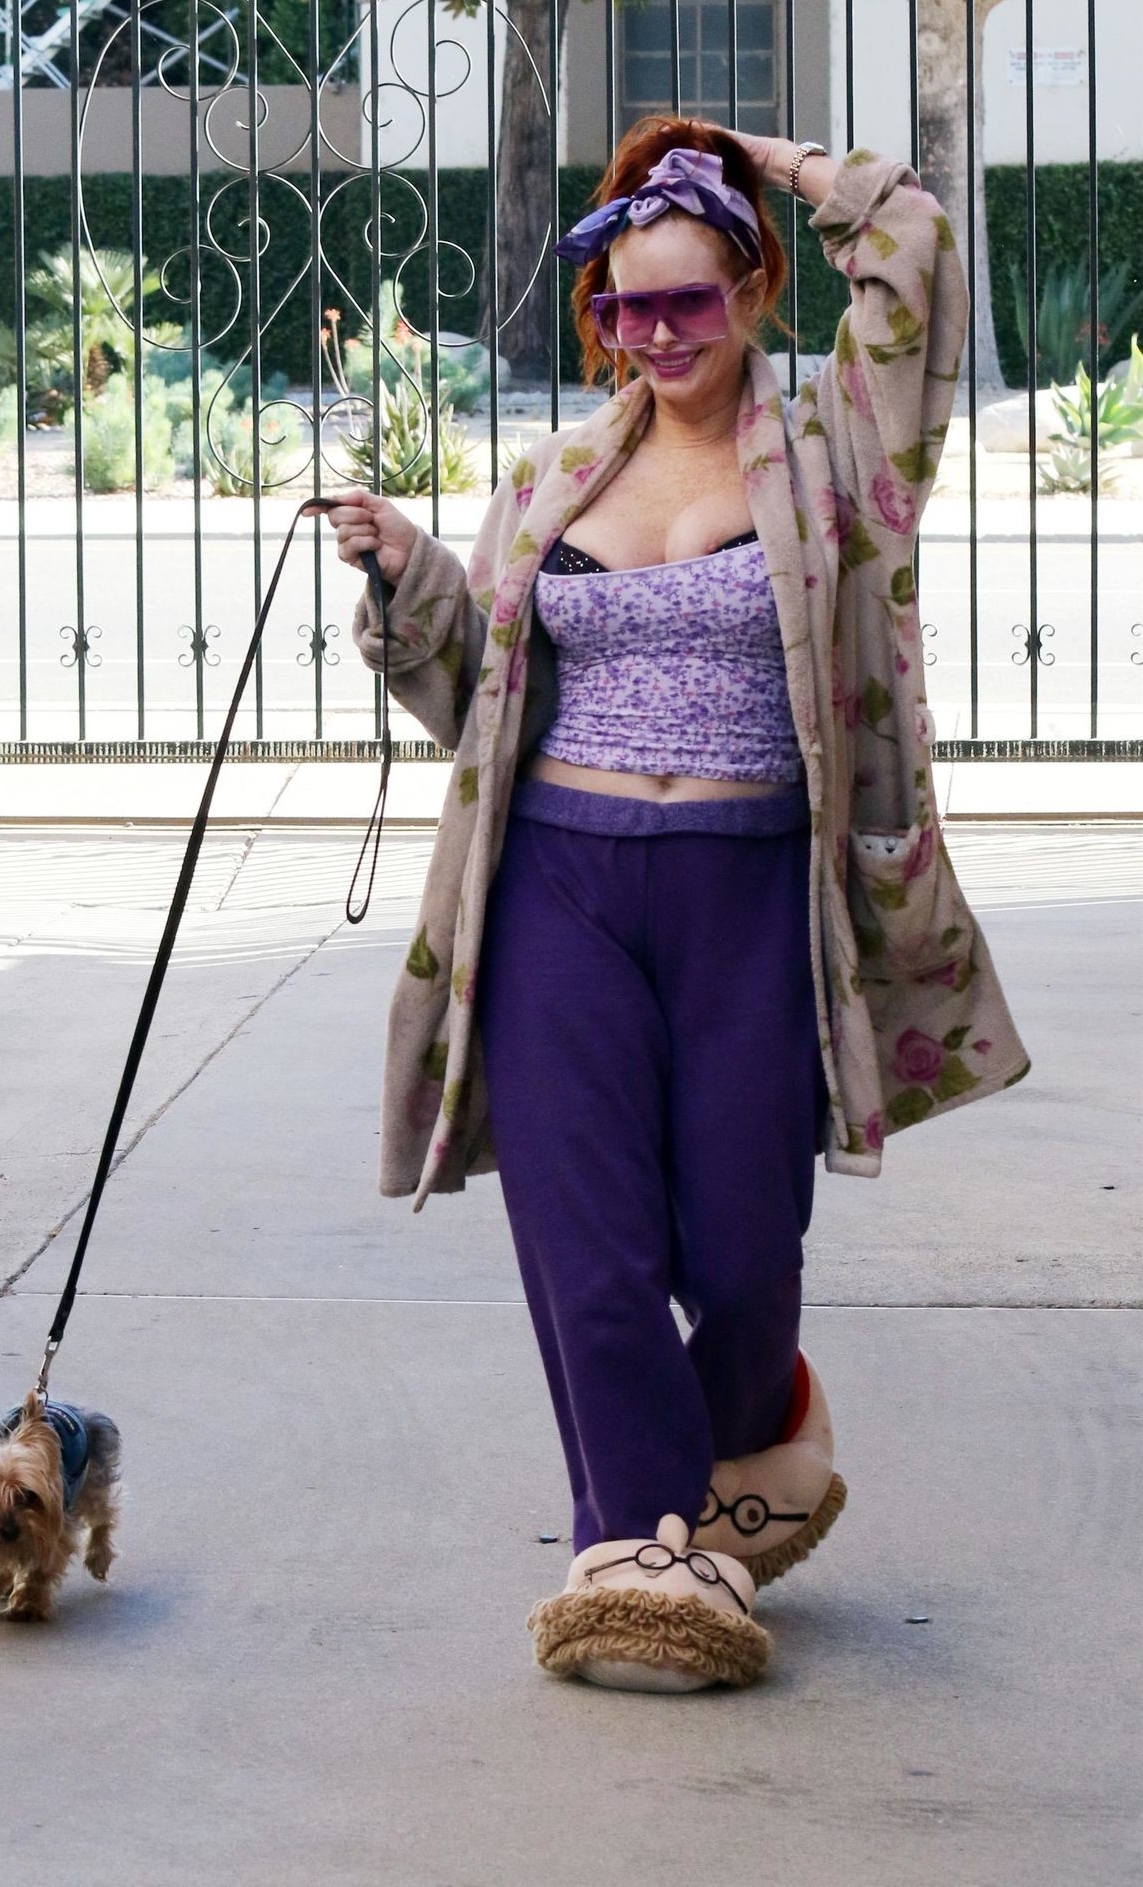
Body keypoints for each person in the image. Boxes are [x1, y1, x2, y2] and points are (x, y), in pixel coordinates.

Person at [323, 117, 1030, 1695]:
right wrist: (407, 568)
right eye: (626, 305)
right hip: (559, 886)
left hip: (748, 888)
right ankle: (641, 1556)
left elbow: (913, 248)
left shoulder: (837, 444)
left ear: (752, 292)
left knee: (742, 1251)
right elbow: (479, 686)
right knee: (589, 1245)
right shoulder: (559, 473)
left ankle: (744, 1456)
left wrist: (759, 158)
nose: (655, 332)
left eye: (687, 299)